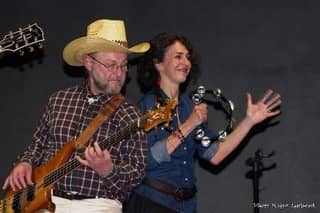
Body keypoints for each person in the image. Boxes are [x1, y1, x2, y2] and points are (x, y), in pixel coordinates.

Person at [2, 19, 150, 213]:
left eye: (123, 66)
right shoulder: (59, 100)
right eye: (111, 64)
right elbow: (38, 144)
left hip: (99, 204)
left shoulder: (131, 114)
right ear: (88, 62)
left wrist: (109, 171)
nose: (118, 73)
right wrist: (25, 162)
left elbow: (136, 175)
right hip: (47, 199)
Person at [125, 32, 282, 213]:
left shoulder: (189, 106)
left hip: (186, 206)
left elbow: (214, 155)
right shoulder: (146, 106)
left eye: (187, 57)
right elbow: (149, 159)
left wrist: (249, 121)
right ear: (158, 63)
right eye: (178, 56)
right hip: (152, 203)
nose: (186, 63)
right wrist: (190, 124)